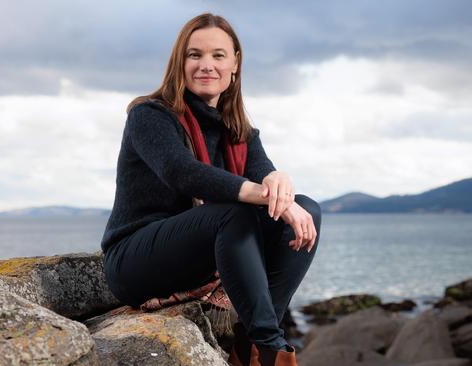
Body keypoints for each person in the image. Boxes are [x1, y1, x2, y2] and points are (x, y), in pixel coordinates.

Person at [101, 12, 321, 366]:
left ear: (235, 64)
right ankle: (271, 352)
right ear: (180, 63)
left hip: (197, 258)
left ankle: (249, 344)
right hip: (136, 260)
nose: (206, 65)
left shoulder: (240, 132)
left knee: (307, 209)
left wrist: (280, 182)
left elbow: (264, 178)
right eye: (194, 55)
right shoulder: (150, 115)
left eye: (218, 55)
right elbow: (182, 172)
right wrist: (264, 193)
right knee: (231, 212)